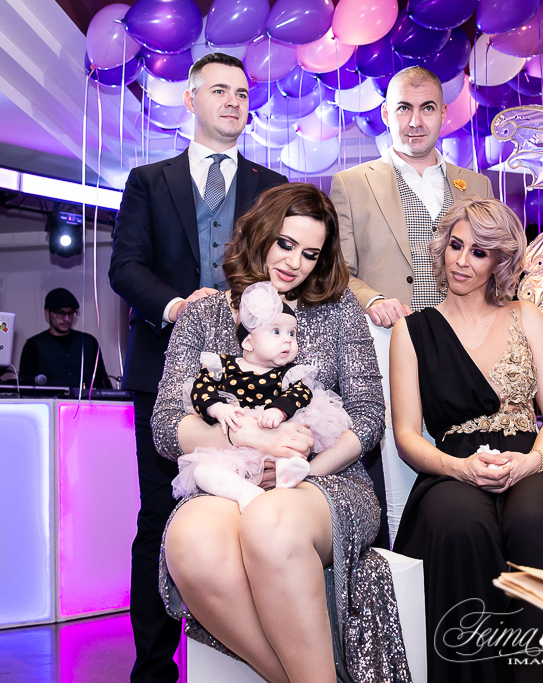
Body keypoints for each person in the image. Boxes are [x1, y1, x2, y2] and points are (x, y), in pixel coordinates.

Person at [154, 183, 410, 682]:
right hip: (231, 476)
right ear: (260, 233)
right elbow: (167, 425)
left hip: (328, 481)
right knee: (191, 541)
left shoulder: (339, 309)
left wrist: (302, 469)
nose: (295, 263)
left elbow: (367, 417)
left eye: (310, 253)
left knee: (271, 523)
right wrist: (254, 441)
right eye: (286, 244)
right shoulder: (204, 313)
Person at [108, 51, 286, 683]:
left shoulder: (271, 185)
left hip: (254, 381)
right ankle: (154, 669)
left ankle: (242, 661)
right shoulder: (148, 181)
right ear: (190, 100)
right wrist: (177, 306)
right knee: (159, 515)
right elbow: (125, 267)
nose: (234, 101)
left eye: (242, 93)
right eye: (219, 90)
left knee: (248, 510)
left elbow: (288, 274)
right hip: (162, 369)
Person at [390, 197, 543, 683]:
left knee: (532, 521)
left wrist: (531, 461)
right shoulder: (412, 332)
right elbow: (406, 436)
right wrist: (459, 468)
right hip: (451, 469)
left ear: (499, 260)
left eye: (479, 252)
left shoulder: (526, 316)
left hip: (531, 462)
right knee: (460, 525)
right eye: (456, 245)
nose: (462, 260)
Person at [332, 65, 493, 329]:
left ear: (443, 113)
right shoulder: (350, 185)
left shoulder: (479, 186)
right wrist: (371, 299)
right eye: (404, 108)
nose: (415, 122)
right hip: (389, 340)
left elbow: (496, 269)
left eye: (427, 108)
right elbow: (336, 272)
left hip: (469, 338)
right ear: (386, 113)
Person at [173, 281, 352, 510]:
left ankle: (287, 478)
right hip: (233, 451)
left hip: (275, 443)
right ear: (248, 342)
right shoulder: (223, 366)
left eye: (292, 333)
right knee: (202, 471)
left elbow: (301, 393)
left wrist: (279, 410)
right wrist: (218, 408)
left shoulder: (287, 374)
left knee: (294, 451)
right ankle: (245, 492)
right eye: (276, 332)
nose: (287, 339)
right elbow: (200, 389)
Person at [18, 287, 109, 389]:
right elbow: (25, 385)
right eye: (60, 313)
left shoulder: (89, 342)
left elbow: (102, 381)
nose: (66, 319)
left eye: (70, 313)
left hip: (84, 399)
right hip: (49, 399)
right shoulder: (33, 345)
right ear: (47, 313)